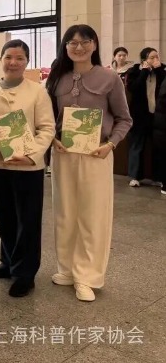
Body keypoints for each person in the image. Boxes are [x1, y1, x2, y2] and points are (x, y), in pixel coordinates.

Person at [46, 25, 132, 302]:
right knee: (65, 213)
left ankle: (87, 275)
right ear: (65, 47)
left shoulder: (109, 77)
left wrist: (111, 144)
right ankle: (67, 268)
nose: (79, 47)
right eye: (72, 42)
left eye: (85, 41)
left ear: (94, 44)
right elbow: (48, 119)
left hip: (96, 154)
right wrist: (52, 139)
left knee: (92, 215)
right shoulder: (57, 78)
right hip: (64, 153)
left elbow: (124, 119)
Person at [0, 40, 55, 298]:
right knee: (5, 216)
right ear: (1, 59)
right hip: (0, 164)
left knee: (28, 219)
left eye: (20, 58)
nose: (13, 62)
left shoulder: (38, 92)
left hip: (28, 166)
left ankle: (25, 273)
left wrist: (31, 154)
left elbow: (47, 128)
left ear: (27, 62)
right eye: (9, 57)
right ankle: (8, 261)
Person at [124, 47, 166, 188]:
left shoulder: (162, 70)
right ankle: (135, 176)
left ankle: (158, 177)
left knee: (158, 147)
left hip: (158, 116)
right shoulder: (135, 71)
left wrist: (158, 70)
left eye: (157, 57)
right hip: (140, 115)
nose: (155, 60)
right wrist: (144, 72)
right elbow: (133, 88)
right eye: (152, 57)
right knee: (137, 145)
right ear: (144, 60)